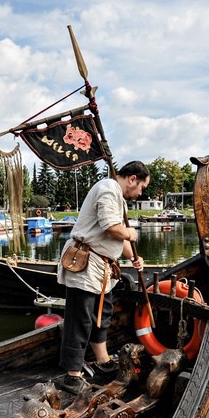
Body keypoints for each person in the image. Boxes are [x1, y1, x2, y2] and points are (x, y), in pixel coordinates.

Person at [56, 160, 150, 394]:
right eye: (142, 187)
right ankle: (72, 375)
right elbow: (112, 228)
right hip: (86, 264)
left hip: (102, 268)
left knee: (102, 315)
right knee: (81, 318)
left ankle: (102, 361)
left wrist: (132, 258)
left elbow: (119, 240)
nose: (140, 193)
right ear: (132, 179)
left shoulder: (118, 198)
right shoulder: (108, 189)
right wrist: (130, 233)